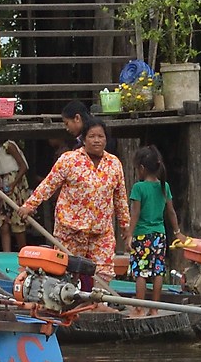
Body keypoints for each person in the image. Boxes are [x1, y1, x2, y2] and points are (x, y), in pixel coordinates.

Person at [17, 119, 131, 289]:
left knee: (104, 270)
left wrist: (125, 227)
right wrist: (30, 205)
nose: (97, 140)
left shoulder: (114, 164)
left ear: (106, 139)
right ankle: (67, 303)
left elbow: (120, 199)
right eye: (92, 136)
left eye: (101, 136)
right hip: (71, 228)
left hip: (101, 229)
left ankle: (97, 305)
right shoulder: (69, 160)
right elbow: (49, 184)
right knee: (67, 269)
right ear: (84, 139)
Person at [127, 145, 180, 302]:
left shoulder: (139, 187)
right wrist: (177, 231)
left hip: (142, 235)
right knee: (158, 271)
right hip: (160, 235)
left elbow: (135, 214)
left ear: (141, 168)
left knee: (141, 272)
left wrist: (129, 234)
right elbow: (171, 212)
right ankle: (155, 308)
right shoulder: (164, 186)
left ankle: (139, 307)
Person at [0, 138, 31, 253]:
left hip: (13, 186)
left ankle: (23, 253)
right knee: (4, 224)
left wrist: (13, 184)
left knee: (17, 222)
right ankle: (6, 255)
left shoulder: (9, 145)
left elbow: (23, 166)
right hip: (3, 186)